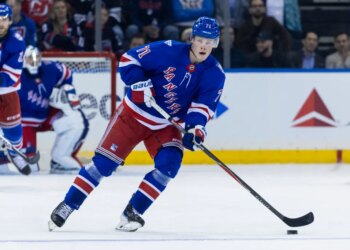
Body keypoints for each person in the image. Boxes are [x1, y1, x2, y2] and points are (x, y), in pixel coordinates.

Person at [48, 16, 225, 232]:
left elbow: (203, 106)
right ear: (192, 39)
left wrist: (195, 129)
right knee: (103, 165)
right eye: (201, 40)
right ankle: (68, 205)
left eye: (210, 42)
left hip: (165, 125)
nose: (205, 46)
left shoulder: (215, 74)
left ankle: (133, 211)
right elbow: (129, 59)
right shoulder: (167, 50)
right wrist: (139, 84)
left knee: (169, 165)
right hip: (132, 115)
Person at [15, 46, 89, 174]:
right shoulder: (15, 73)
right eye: (29, 58)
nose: (34, 61)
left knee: (76, 122)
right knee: (31, 168)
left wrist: (66, 89)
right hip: (24, 122)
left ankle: (62, 158)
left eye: (37, 57)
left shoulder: (50, 68)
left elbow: (67, 74)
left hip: (47, 116)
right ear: (23, 59)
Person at [0, 3, 30, 175]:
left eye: (4, 20)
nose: (1, 24)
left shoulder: (16, 42)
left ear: (10, 21)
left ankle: (15, 153)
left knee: (14, 131)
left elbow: (9, 77)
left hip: (7, 93)